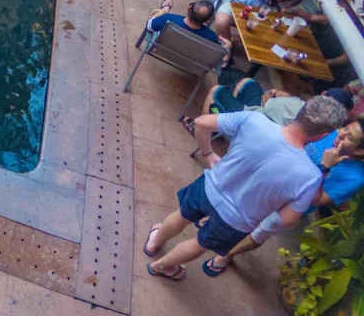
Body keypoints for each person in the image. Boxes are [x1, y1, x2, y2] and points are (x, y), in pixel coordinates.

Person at [144, 95, 346, 282]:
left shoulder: (253, 120)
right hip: (237, 221)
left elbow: (201, 123)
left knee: (181, 215)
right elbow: (289, 219)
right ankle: (161, 266)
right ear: (323, 135)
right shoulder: (310, 177)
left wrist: (208, 153)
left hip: (210, 187)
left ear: (301, 111)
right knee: (199, 243)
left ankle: (154, 244)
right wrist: (323, 168)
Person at [207, 119, 364, 276]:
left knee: (260, 231)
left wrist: (325, 167)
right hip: (272, 184)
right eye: (345, 128)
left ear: (360, 151)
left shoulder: (355, 177)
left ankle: (227, 255)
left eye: (350, 137)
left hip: (291, 206)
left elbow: (317, 200)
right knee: (241, 205)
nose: (341, 134)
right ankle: (215, 222)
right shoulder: (331, 134)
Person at [203, 79, 352, 127]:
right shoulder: (321, 131)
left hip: (251, 121)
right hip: (262, 124)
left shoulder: (298, 105)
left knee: (217, 89)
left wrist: (269, 93)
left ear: (323, 94)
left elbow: (267, 102)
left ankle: (212, 126)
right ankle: (224, 123)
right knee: (247, 83)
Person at [146, 0, 222, 43]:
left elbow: (149, 27)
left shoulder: (168, 19)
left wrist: (163, 13)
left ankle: (164, 10)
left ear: (189, 8)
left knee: (158, 19)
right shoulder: (212, 37)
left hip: (161, 49)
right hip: (188, 62)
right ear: (207, 20)